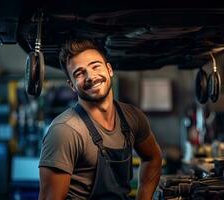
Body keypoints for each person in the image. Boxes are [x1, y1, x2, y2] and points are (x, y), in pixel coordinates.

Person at [38, 39, 162, 200]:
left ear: (109, 69)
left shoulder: (132, 117)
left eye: (96, 66)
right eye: (79, 73)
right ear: (72, 85)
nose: (90, 76)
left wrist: (144, 196)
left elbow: (153, 157)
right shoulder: (65, 131)